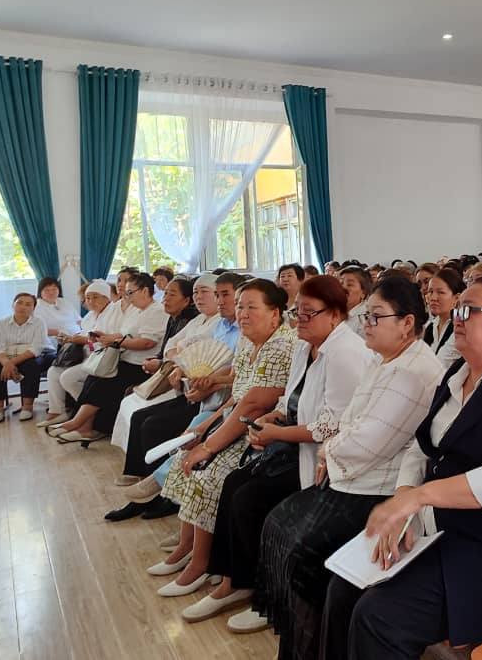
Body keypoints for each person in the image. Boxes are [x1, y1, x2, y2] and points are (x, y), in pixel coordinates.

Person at [341, 275, 482, 657]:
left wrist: (419, 498)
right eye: (458, 309)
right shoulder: (459, 373)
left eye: (469, 310)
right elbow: (421, 448)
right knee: (344, 586)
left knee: (379, 617)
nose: (456, 318)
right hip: (443, 529)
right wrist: (404, 500)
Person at [226, 277, 443, 652]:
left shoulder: (411, 372)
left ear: (407, 323)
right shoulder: (385, 359)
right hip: (353, 473)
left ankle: (313, 642)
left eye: (375, 317)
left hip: (375, 487)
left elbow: (366, 440)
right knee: (277, 525)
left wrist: (328, 451)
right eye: (366, 316)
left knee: (300, 550)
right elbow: (350, 420)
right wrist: (330, 445)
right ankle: (300, 641)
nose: (366, 325)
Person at [179, 275, 373, 628]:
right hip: (293, 442)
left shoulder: (345, 353)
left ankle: (264, 594)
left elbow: (333, 425)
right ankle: (235, 579)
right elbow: (289, 398)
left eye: (308, 313)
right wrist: (272, 417)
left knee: (250, 496)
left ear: (335, 315)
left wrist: (277, 432)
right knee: (236, 483)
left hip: (325, 458)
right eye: (297, 312)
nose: (299, 320)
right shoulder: (305, 346)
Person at [152, 279, 295, 598]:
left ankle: (201, 563)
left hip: (260, 433)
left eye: (251, 307)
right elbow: (237, 395)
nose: (242, 313)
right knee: (185, 454)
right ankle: (188, 546)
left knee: (208, 472)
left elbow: (255, 404)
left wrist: (209, 445)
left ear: (275, 313)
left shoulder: (282, 345)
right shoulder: (247, 339)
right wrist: (204, 428)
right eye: (240, 306)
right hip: (236, 420)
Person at [110, 272, 245, 522]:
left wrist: (207, 383)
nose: (219, 300)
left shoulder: (241, 329)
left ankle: (162, 493)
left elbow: (236, 375)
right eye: (211, 294)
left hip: (217, 399)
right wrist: (183, 370)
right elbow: (183, 351)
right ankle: (150, 490)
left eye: (222, 295)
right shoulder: (217, 325)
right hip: (199, 393)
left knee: (161, 426)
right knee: (142, 416)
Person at [48, 273, 168, 442]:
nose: (127, 297)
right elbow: (123, 334)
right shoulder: (136, 311)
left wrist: (116, 341)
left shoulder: (156, 311)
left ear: (145, 291)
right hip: (124, 360)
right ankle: (84, 426)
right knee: (93, 377)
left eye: (130, 292)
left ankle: (77, 422)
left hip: (141, 365)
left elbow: (147, 342)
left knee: (103, 382)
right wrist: (105, 337)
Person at [110, 275, 211, 458]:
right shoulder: (189, 320)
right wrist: (164, 359)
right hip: (169, 372)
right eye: (165, 294)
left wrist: (167, 361)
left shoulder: (194, 319)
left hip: (185, 384)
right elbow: (171, 346)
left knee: (145, 417)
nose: (165, 299)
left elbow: (190, 355)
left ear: (185, 301)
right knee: (128, 399)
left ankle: (145, 467)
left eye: (172, 294)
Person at [40, 279, 115, 427]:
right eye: (88, 298)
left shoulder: (112, 314)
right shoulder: (90, 315)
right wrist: (70, 338)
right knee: (54, 371)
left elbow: (104, 340)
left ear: (106, 297)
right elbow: (84, 332)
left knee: (68, 377)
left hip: (101, 359)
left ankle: (88, 416)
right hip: (84, 356)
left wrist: (82, 340)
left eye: (95, 297)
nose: (90, 301)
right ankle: (57, 411)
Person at [0, 293, 48, 423]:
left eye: (28, 304)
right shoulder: (1, 324)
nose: (23, 307)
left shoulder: (39, 323)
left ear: (33, 308)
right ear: (13, 305)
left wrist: (11, 363)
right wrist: (6, 363)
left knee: (31, 365)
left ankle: (27, 407)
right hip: (6, 356)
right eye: (19, 303)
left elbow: (36, 349)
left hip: (28, 356)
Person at [33, 276, 80, 366]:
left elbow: (79, 320)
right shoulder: (37, 307)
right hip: (56, 340)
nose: (51, 292)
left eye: (54, 289)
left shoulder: (64, 302)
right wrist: (59, 332)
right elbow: (37, 329)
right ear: (40, 292)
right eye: (47, 290)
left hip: (76, 336)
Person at [424, 268, 464, 369]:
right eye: (430, 291)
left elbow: (439, 366)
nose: (433, 298)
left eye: (440, 292)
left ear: (456, 298)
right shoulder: (431, 326)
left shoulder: (460, 327)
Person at [339, 267, 372, 339]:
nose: (342, 287)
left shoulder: (366, 319)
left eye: (349, 284)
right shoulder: (334, 312)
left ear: (363, 292)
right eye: (341, 283)